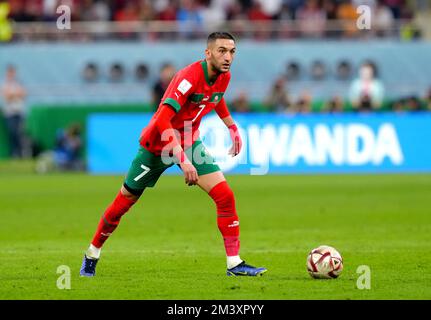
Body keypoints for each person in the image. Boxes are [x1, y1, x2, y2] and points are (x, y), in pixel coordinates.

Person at [80, 32, 267, 277]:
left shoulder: (224, 76)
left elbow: (216, 98)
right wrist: (183, 160)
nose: (228, 56)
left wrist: (231, 126)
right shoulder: (188, 78)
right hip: (157, 145)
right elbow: (162, 120)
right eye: (222, 50)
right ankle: (92, 253)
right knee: (125, 201)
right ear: (207, 53)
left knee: (225, 196)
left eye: (232, 51)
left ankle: (234, 263)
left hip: (188, 140)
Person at [1, 65, 27, 158]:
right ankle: (14, 152)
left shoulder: (19, 83)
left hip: (19, 112)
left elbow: (24, 94)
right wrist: (16, 94)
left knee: (19, 133)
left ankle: (20, 152)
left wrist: (14, 94)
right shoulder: (5, 83)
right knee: (12, 132)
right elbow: (7, 96)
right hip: (10, 113)